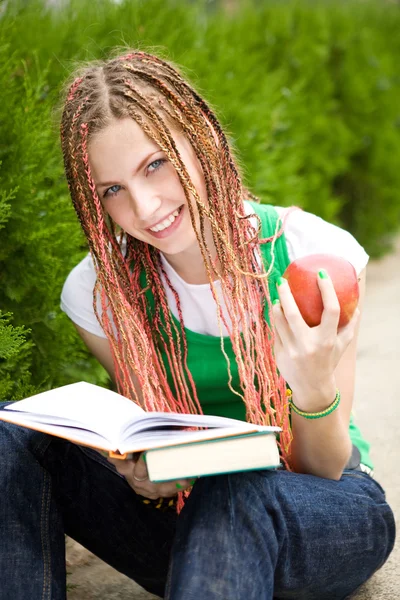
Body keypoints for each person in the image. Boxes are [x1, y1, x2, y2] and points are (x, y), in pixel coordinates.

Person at [0, 49, 395, 600]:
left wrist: (311, 386)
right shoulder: (98, 292)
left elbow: (325, 467)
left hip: (321, 513)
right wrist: (139, 470)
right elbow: (151, 434)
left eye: (154, 165)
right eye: (112, 190)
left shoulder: (313, 254)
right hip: (183, 524)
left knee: (233, 488)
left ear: (200, 139)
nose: (143, 206)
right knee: (12, 433)